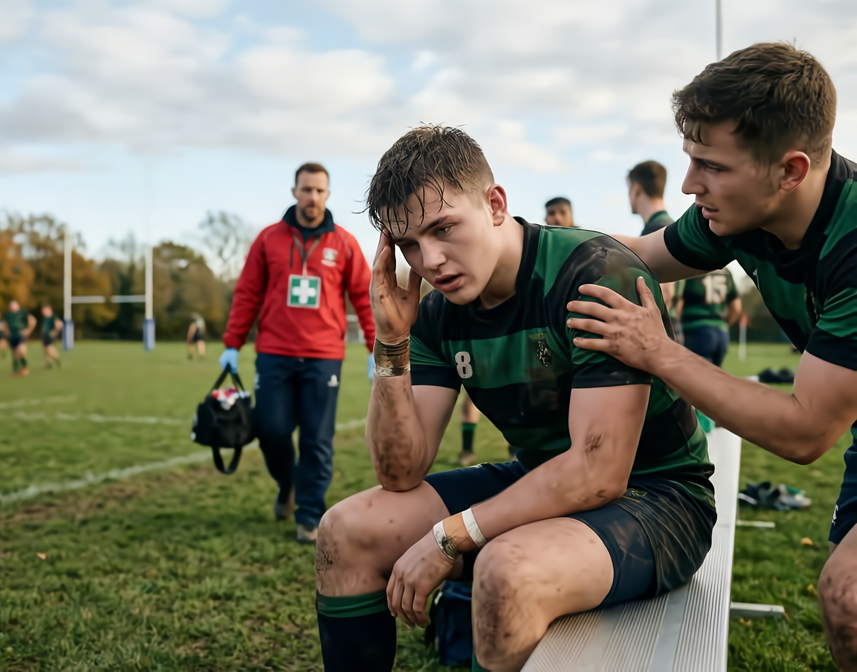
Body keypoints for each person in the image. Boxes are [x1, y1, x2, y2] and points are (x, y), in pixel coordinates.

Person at [314, 126, 715, 672]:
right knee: (345, 531)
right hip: (541, 483)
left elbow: (598, 473)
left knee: (504, 569)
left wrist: (453, 535)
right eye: (408, 243)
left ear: (495, 204)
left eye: (443, 228)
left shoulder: (592, 272)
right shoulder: (435, 311)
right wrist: (391, 342)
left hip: (656, 498)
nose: (428, 259)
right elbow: (399, 470)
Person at [563, 43, 857, 670]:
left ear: (791, 170)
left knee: (848, 594)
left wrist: (659, 352)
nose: (691, 184)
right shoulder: (740, 213)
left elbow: (806, 430)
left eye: (711, 165)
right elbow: (638, 252)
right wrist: (507, 244)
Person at [219, 163, 375, 544]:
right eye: (306, 190)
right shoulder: (269, 239)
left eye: (320, 191)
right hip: (274, 352)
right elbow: (248, 293)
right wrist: (231, 343)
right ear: (294, 192)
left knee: (316, 440)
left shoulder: (344, 243)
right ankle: (286, 484)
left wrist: (375, 346)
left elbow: (365, 297)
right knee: (270, 430)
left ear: (328, 195)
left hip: (324, 357)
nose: (312, 197)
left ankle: (309, 514)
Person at [628, 160, 686, 343]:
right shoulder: (673, 228)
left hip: (661, 336)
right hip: (675, 329)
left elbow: (664, 295)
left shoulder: (656, 233)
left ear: (636, 189)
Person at [680, 269, 741, 368]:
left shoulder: (690, 265)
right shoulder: (726, 272)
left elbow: (678, 299)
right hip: (722, 333)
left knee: (696, 379)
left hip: (697, 330)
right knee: (715, 378)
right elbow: (736, 307)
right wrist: (724, 324)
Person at [5, 300, 35, 377]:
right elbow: (6, 324)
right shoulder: (8, 314)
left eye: (15, 305)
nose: (13, 306)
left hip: (21, 335)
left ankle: (24, 368)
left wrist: (28, 330)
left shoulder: (23, 312)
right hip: (12, 336)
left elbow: (33, 320)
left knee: (21, 351)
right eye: (11, 305)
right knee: (14, 354)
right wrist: (7, 331)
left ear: (18, 305)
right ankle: (16, 371)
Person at [39, 305, 63, 369]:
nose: (43, 311)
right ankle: (49, 364)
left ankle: (58, 360)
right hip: (45, 335)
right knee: (47, 350)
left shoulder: (53, 317)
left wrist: (55, 332)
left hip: (49, 335)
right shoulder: (45, 317)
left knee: (49, 349)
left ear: (50, 310)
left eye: (45, 310)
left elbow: (60, 324)